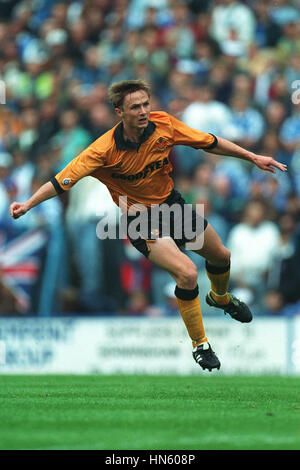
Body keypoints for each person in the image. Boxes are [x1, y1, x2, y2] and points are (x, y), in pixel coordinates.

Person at [9, 79, 287, 372]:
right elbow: (61, 180)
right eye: (135, 107)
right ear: (119, 112)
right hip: (140, 219)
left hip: (172, 205)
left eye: (145, 104)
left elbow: (210, 142)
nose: (143, 111)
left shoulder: (164, 124)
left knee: (222, 256)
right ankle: (200, 345)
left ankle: (219, 297)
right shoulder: (102, 151)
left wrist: (252, 156)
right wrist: (28, 204)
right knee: (188, 273)